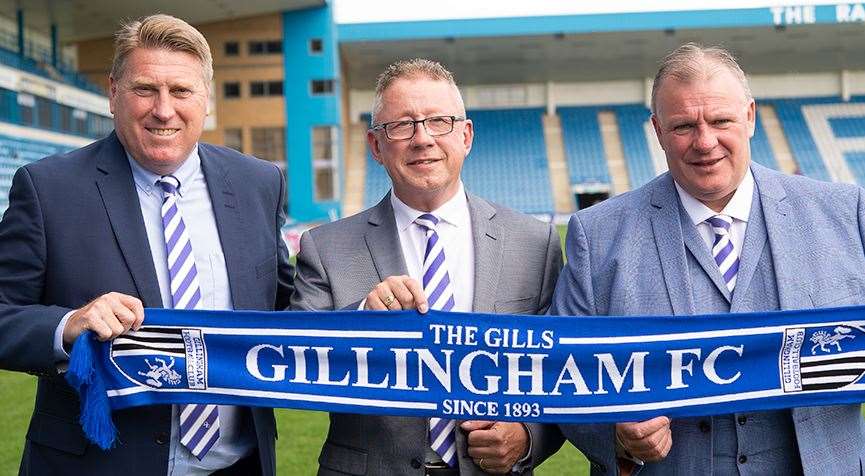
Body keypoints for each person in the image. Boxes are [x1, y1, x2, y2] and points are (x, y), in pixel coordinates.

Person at [552, 42, 865, 475]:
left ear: (750, 117)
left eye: (721, 121)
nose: (705, 142)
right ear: (658, 130)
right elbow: (563, 376)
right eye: (683, 126)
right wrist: (615, 434)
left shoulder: (847, 213)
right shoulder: (598, 236)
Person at [0, 14, 293, 475]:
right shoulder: (47, 189)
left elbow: (286, 308)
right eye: (145, 89)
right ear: (113, 92)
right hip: (99, 464)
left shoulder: (258, 182)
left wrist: (365, 314)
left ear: (206, 99)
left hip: (238, 464)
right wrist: (68, 325)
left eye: (181, 91)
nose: (163, 109)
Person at [291, 58, 564, 475]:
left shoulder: (534, 243)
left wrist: (527, 436)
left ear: (466, 135)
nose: (423, 139)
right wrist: (363, 320)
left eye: (439, 121)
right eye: (401, 125)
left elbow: (563, 370)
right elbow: (293, 361)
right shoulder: (324, 247)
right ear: (375, 147)